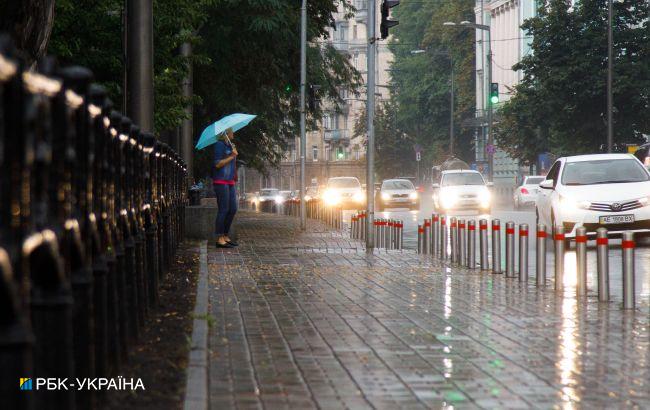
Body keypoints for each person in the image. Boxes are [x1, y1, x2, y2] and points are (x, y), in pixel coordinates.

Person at [213, 128, 239, 248]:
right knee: (223, 209)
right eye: (231, 131)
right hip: (221, 181)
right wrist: (232, 156)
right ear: (226, 134)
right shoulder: (219, 145)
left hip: (230, 181)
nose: (233, 133)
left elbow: (231, 163)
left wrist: (233, 154)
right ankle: (219, 238)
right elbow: (218, 164)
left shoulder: (230, 145)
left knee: (233, 209)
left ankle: (225, 235)